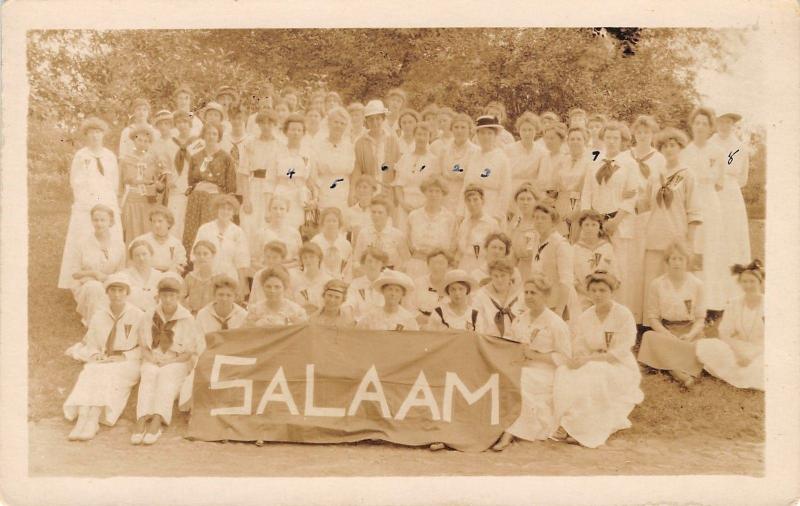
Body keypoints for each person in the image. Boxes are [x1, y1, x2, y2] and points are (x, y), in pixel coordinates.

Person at [553, 271, 644, 448]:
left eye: (602, 290)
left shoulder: (623, 315)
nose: (597, 295)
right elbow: (579, 344)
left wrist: (590, 360)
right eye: (593, 290)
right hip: (590, 361)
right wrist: (578, 358)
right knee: (564, 372)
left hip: (619, 366)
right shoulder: (585, 316)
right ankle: (566, 423)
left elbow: (622, 350)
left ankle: (582, 429)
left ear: (612, 292)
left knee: (594, 372)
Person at [492, 274, 572, 450]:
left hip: (546, 370)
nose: (528, 296)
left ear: (545, 296)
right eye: (526, 292)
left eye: (533, 293)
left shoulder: (555, 323)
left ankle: (509, 433)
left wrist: (535, 356)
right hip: (521, 365)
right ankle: (495, 428)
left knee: (521, 382)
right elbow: (510, 342)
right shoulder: (521, 319)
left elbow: (565, 357)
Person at [63, 272, 144, 441]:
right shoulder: (99, 314)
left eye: (121, 290)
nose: (116, 294)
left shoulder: (137, 315)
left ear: (127, 293)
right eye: (112, 290)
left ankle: (94, 419)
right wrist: (96, 354)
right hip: (105, 358)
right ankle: (82, 418)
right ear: (107, 293)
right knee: (90, 371)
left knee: (109, 373)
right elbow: (91, 342)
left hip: (128, 362)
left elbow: (145, 346)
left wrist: (124, 356)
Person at [131, 273, 199, 445]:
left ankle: (157, 420)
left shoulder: (187, 318)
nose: (168, 300)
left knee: (167, 376)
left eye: (172, 296)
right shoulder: (149, 315)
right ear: (159, 296)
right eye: (165, 296)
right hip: (153, 357)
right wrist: (152, 359)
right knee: (149, 373)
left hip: (177, 360)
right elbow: (143, 345)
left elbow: (188, 352)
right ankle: (142, 418)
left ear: (178, 297)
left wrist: (169, 361)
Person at [58, 117, 122, 290]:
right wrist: (87, 199)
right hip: (87, 202)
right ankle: (79, 280)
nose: (95, 136)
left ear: (103, 135)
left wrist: (110, 200)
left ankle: (109, 274)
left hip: (106, 199)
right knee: (84, 236)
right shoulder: (81, 155)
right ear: (86, 135)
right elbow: (75, 182)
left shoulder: (109, 156)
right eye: (91, 133)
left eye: (98, 133)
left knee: (109, 234)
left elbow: (114, 181)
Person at [580, 121, 638, 308]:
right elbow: (587, 192)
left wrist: (615, 221)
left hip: (618, 225)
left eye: (616, 138)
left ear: (622, 141)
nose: (611, 142)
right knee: (597, 265)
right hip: (596, 223)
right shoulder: (595, 161)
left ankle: (621, 313)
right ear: (603, 139)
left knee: (618, 268)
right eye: (608, 137)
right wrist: (589, 221)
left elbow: (632, 195)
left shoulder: (629, 164)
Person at [642, 127, 701, 305]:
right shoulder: (654, 176)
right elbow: (645, 204)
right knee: (653, 282)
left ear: (680, 147)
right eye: (665, 146)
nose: (669, 149)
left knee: (675, 282)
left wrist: (689, 242)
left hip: (676, 237)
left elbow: (694, 210)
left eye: (672, 145)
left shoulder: (687, 175)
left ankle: (676, 320)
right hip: (654, 235)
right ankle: (651, 322)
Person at [637, 242, 707, 388]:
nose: (677, 263)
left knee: (701, 345)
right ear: (667, 261)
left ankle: (664, 363)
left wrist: (691, 334)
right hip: (666, 330)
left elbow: (700, 318)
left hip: (690, 332)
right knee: (648, 337)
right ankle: (679, 374)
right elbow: (653, 318)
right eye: (673, 259)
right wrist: (667, 334)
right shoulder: (657, 284)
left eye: (681, 259)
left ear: (687, 261)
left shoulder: (697, 284)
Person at [619, 115, 667, 323]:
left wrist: (647, 201)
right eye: (639, 132)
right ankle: (628, 315)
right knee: (629, 266)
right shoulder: (624, 157)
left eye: (646, 132)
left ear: (652, 134)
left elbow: (663, 188)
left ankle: (645, 319)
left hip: (648, 215)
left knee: (645, 266)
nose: (642, 136)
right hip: (628, 215)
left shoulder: (659, 159)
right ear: (634, 134)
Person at [682, 106, 727, 321]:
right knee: (693, 251)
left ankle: (712, 305)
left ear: (710, 128)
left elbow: (720, 182)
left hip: (710, 204)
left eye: (704, 124)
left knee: (711, 252)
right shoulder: (685, 152)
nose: (700, 127)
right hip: (691, 204)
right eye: (696, 123)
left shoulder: (717, 152)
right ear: (692, 125)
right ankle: (692, 304)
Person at [178, 275, 248, 412]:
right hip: (208, 354)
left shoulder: (243, 315)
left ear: (235, 296)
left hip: (233, 356)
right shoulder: (203, 314)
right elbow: (198, 340)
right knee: (199, 371)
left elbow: (244, 340)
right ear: (214, 296)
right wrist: (212, 355)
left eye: (229, 295)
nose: (224, 298)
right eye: (220, 294)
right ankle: (194, 407)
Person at [696, 260, 764, 391]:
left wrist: (751, 356)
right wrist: (738, 352)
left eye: (752, 281)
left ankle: (740, 373)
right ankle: (738, 372)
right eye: (744, 281)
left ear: (760, 283)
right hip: (739, 347)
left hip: (761, 350)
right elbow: (724, 332)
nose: (748, 285)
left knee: (764, 366)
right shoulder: (734, 303)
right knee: (707, 345)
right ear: (740, 283)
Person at [710, 112, 751, 299]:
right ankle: (713, 290)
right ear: (716, 123)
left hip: (730, 193)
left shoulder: (737, 147)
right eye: (721, 121)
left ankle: (733, 290)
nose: (724, 125)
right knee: (714, 236)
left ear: (733, 124)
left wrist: (725, 181)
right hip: (711, 190)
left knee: (732, 237)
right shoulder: (709, 142)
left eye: (728, 122)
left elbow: (740, 176)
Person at [68, 205, 126, 326]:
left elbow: (121, 271)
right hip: (85, 285)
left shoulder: (119, 244)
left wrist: (111, 282)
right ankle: (95, 326)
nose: (99, 224)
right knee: (94, 287)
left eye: (103, 220)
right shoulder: (82, 243)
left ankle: (114, 322)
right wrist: (93, 273)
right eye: (95, 220)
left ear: (110, 222)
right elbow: (74, 273)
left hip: (111, 284)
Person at [182, 121, 237, 249]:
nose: (211, 136)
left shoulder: (226, 157)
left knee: (210, 230)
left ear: (219, 136)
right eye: (208, 133)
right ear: (203, 135)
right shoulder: (196, 157)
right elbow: (191, 181)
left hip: (214, 199)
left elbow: (231, 184)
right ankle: (191, 262)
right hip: (196, 198)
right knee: (192, 230)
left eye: (214, 134)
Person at [192, 194, 250, 300]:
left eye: (229, 209)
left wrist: (241, 288)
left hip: (230, 278)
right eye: (222, 208)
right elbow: (196, 258)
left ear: (234, 212)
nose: (225, 212)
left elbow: (242, 263)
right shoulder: (205, 229)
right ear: (217, 209)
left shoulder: (238, 232)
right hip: (207, 277)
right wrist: (198, 281)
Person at [529, 202, 579, 321]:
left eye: (543, 218)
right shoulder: (537, 240)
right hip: (544, 303)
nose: (539, 221)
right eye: (536, 217)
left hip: (561, 305)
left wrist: (559, 311)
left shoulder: (561, 244)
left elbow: (566, 281)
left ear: (553, 222)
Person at [269, 113, 318, 230]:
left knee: (297, 230)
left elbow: (312, 181)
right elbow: (269, 181)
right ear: (286, 131)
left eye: (299, 130)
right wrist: (268, 205)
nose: (295, 133)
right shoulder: (277, 152)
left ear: (303, 133)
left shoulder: (309, 153)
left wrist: (314, 200)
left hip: (300, 198)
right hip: (281, 196)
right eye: (292, 129)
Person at [240, 110, 280, 249]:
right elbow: (244, 173)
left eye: (270, 122)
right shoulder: (251, 144)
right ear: (258, 124)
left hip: (273, 188)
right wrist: (246, 199)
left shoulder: (280, 144)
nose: (266, 125)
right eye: (262, 122)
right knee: (250, 224)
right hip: (254, 187)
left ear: (275, 124)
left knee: (268, 225)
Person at [119, 125, 166, 242]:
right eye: (139, 140)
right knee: (132, 233)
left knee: (148, 232)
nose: (142, 143)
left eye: (146, 141)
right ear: (134, 141)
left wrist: (158, 185)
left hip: (148, 201)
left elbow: (161, 183)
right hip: (132, 201)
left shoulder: (154, 160)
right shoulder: (126, 160)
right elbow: (120, 183)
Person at [462, 115, 512, 222]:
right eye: (482, 133)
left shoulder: (502, 158)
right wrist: (461, 212)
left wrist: (498, 215)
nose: (486, 137)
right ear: (478, 135)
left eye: (490, 133)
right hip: (471, 206)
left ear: (495, 136)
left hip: (492, 208)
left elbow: (505, 190)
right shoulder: (473, 156)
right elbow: (465, 185)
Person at [404, 176, 456, 278]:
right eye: (430, 191)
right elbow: (407, 241)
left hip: (439, 266)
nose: (433, 195)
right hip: (417, 264)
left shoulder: (449, 218)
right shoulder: (414, 216)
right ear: (424, 192)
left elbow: (452, 245)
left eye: (437, 191)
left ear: (443, 194)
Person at [352, 99, 401, 201]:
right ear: (367, 122)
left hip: (388, 191)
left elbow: (398, 168)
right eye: (371, 119)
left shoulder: (392, 140)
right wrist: (354, 193)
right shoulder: (360, 143)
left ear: (383, 119)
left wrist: (395, 190)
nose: (375, 122)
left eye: (378, 118)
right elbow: (357, 170)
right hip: (367, 192)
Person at [167, 111, 203, 240]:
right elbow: (167, 165)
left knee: (189, 219)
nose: (182, 125)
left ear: (190, 124)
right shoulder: (171, 143)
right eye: (179, 122)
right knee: (175, 219)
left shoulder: (197, 142)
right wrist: (169, 179)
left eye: (185, 122)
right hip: (176, 185)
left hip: (191, 185)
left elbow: (202, 164)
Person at [572, 210, 617, 312]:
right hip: (582, 296)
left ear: (599, 227)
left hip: (604, 294)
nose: (590, 228)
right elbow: (572, 277)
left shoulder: (607, 247)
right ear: (581, 226)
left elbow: (614, 274)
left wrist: (600, 292)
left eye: (594, 225)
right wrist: (588, 293)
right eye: (586, 225)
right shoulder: (575, 249)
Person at [312, 106, 354, 213]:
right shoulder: (318, 146)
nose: (339, 126)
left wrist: (351, 194)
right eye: (336, 122)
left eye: (342, 123)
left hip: (344, 193)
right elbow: (313, 174)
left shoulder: (350, 147)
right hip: (324, 192)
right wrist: (315, 196)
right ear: (329, 123)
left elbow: (352, 173)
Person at [352, 196, 410, 273]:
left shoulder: (397, 235)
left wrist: (397, 273)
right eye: (373, 212)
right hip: (369, 274)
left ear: (387, 214)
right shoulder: (364, 233)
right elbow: (356, 259)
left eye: (380, 212)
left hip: (391, 274)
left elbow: (406, 260)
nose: (376, 215)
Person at [472, 258, 524, 339]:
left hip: (516, 343)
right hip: (490, 342)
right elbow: (478, 325)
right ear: (491, 276)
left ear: (510, 275)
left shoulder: (521, 294)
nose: (499, 280)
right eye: (495, 276)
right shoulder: (481, 295)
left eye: (503, 275)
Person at [454, 184, 501, 273]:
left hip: (483, 266)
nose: (472, 204)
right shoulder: (464, 223)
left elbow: (498, 250)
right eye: (469, 200)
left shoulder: (491, 223)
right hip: (463, 265)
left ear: (482, 201)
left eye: (475, 200)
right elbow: (460, 249)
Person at [557, 126, 592, 239]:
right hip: (561, 206)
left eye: (578, 139)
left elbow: (588, 190)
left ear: (585, 141)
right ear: (567, 141)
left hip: (579, 206)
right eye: (572, 139)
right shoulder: (562, 160)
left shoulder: (590, 162)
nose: (575, 142)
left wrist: (577, 211)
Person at [438, 113, 478, 211]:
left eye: (463, 127)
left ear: (469, 130)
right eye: (456, 127)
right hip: (446, 196)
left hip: (467, 195)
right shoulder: (444, 150)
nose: (459, 130)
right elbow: (439, 174)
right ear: (451, 129)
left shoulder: (476, 151)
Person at [132, 206, 187, 273]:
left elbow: (180, 265)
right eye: (153, 221)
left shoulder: (176, 243)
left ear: (169, 223)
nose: (156, 225)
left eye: (160, 221)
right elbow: (133, 264)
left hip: (168, 278)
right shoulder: (141, 241)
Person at [504, 112, 545, 200]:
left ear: (536, 131)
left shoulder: (542, 151)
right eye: (524, 130)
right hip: (511, 191)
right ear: (519, 131)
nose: (527, 133)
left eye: (530, 130)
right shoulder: (508, 150)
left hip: (532, 192)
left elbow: (542, 177)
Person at [254, 196, 303, 269]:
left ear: (287, 211)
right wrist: (269, 270)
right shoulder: (261, 233)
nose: (278, 212)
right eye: (274, 208)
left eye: (282, 209)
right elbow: (254, 261)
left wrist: (282, 268)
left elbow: (300, 260)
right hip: (267, 272)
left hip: (290, 272)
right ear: (269, 210)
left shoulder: (294, 233)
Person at [345, 247, 390, 323]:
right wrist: (348, 311)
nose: (372, 265)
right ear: (363, 263)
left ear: (382, 264)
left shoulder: (388, 283)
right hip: (360, 325)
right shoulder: (356, 283)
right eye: (369, 261)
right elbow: (349, 303)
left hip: (384, 324)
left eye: (377, 262)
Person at [506, 183, 539, 282]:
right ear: (516, 201)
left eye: (529, 199)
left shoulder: (540, 221)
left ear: (536, 201)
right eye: (521, 199)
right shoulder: (516, 221)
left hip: (535, 269)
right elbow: (511, 250)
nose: (525, 202)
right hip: (517, 269)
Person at [289, 242, 332, 315]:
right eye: (305, 257)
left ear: (319, 258)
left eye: (311, 256)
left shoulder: (328, 281)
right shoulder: (295, 280)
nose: (308, 260)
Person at [412, 249, 452, 326]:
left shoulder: (453, 285)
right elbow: (409, 307)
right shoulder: (418, 283)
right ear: (428, 264)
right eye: (433, 263)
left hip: (446, 326)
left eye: (441, 263)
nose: (436, 267)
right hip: (420, 324)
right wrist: (427, 321)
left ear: (448, 265)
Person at [311, 207, 353, 280]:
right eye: (328, 221)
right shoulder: (315, 241)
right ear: (323, 222)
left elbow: (348, 268)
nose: (331, 223)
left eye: (334, 221)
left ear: (339, 223)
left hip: (339, 280)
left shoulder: (345, 244)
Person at [123, 240, 164, 311]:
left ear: (151, 255)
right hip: (132, 316)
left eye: (144, 254)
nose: (141, 258)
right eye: (137, 255)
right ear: (132, 259)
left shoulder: (160, 276)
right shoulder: (124, 276)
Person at [248, 240, 289, 307]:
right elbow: (252, 300)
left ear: (283, 259)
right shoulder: (258, 275)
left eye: (275, 258)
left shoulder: (289, 275)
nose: (271, 261)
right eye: (268, 257)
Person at [534, 123, 569, 202]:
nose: (548, 141)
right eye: (546, 138)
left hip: (560, 199)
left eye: (552, 138)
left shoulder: (566, 158)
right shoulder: (543, 158)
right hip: (543, 198)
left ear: (561, 139)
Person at [345, 175, 381, 244]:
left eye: (365, 187)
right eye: (359, 187)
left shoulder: (378, 211)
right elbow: (344, 235)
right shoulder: (349, 212)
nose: (361, 190)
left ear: (373, 190)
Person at [183, 240, 217, 313]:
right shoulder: (190, 277)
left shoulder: (219, 278)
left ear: (213, 255)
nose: (202, 257)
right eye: (198, 254)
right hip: (193, 316)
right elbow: (180, 297)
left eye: (205, 254)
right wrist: (188, 311)